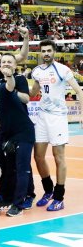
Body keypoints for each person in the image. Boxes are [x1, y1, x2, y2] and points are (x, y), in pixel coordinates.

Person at [30, 39, 83, 211]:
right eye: (43, 51)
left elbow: (78, 90)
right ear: (40, 53)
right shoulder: (37, 71)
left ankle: (59, 197)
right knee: (38, 156)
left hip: (58, 117)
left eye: (49, 50)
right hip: (42, 116)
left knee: (58, 156)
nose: (46, 53)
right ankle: (48, 191)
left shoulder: (63, 70)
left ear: (54, 52)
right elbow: (33, 92)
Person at [0, 58, 35, 216]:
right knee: (13, 168)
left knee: (22, 169)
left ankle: (19, 206)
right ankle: (20, 197)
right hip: (12, 137)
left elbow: (10, 87)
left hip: (24, 133)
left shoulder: (3, 88)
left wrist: (9, 76)